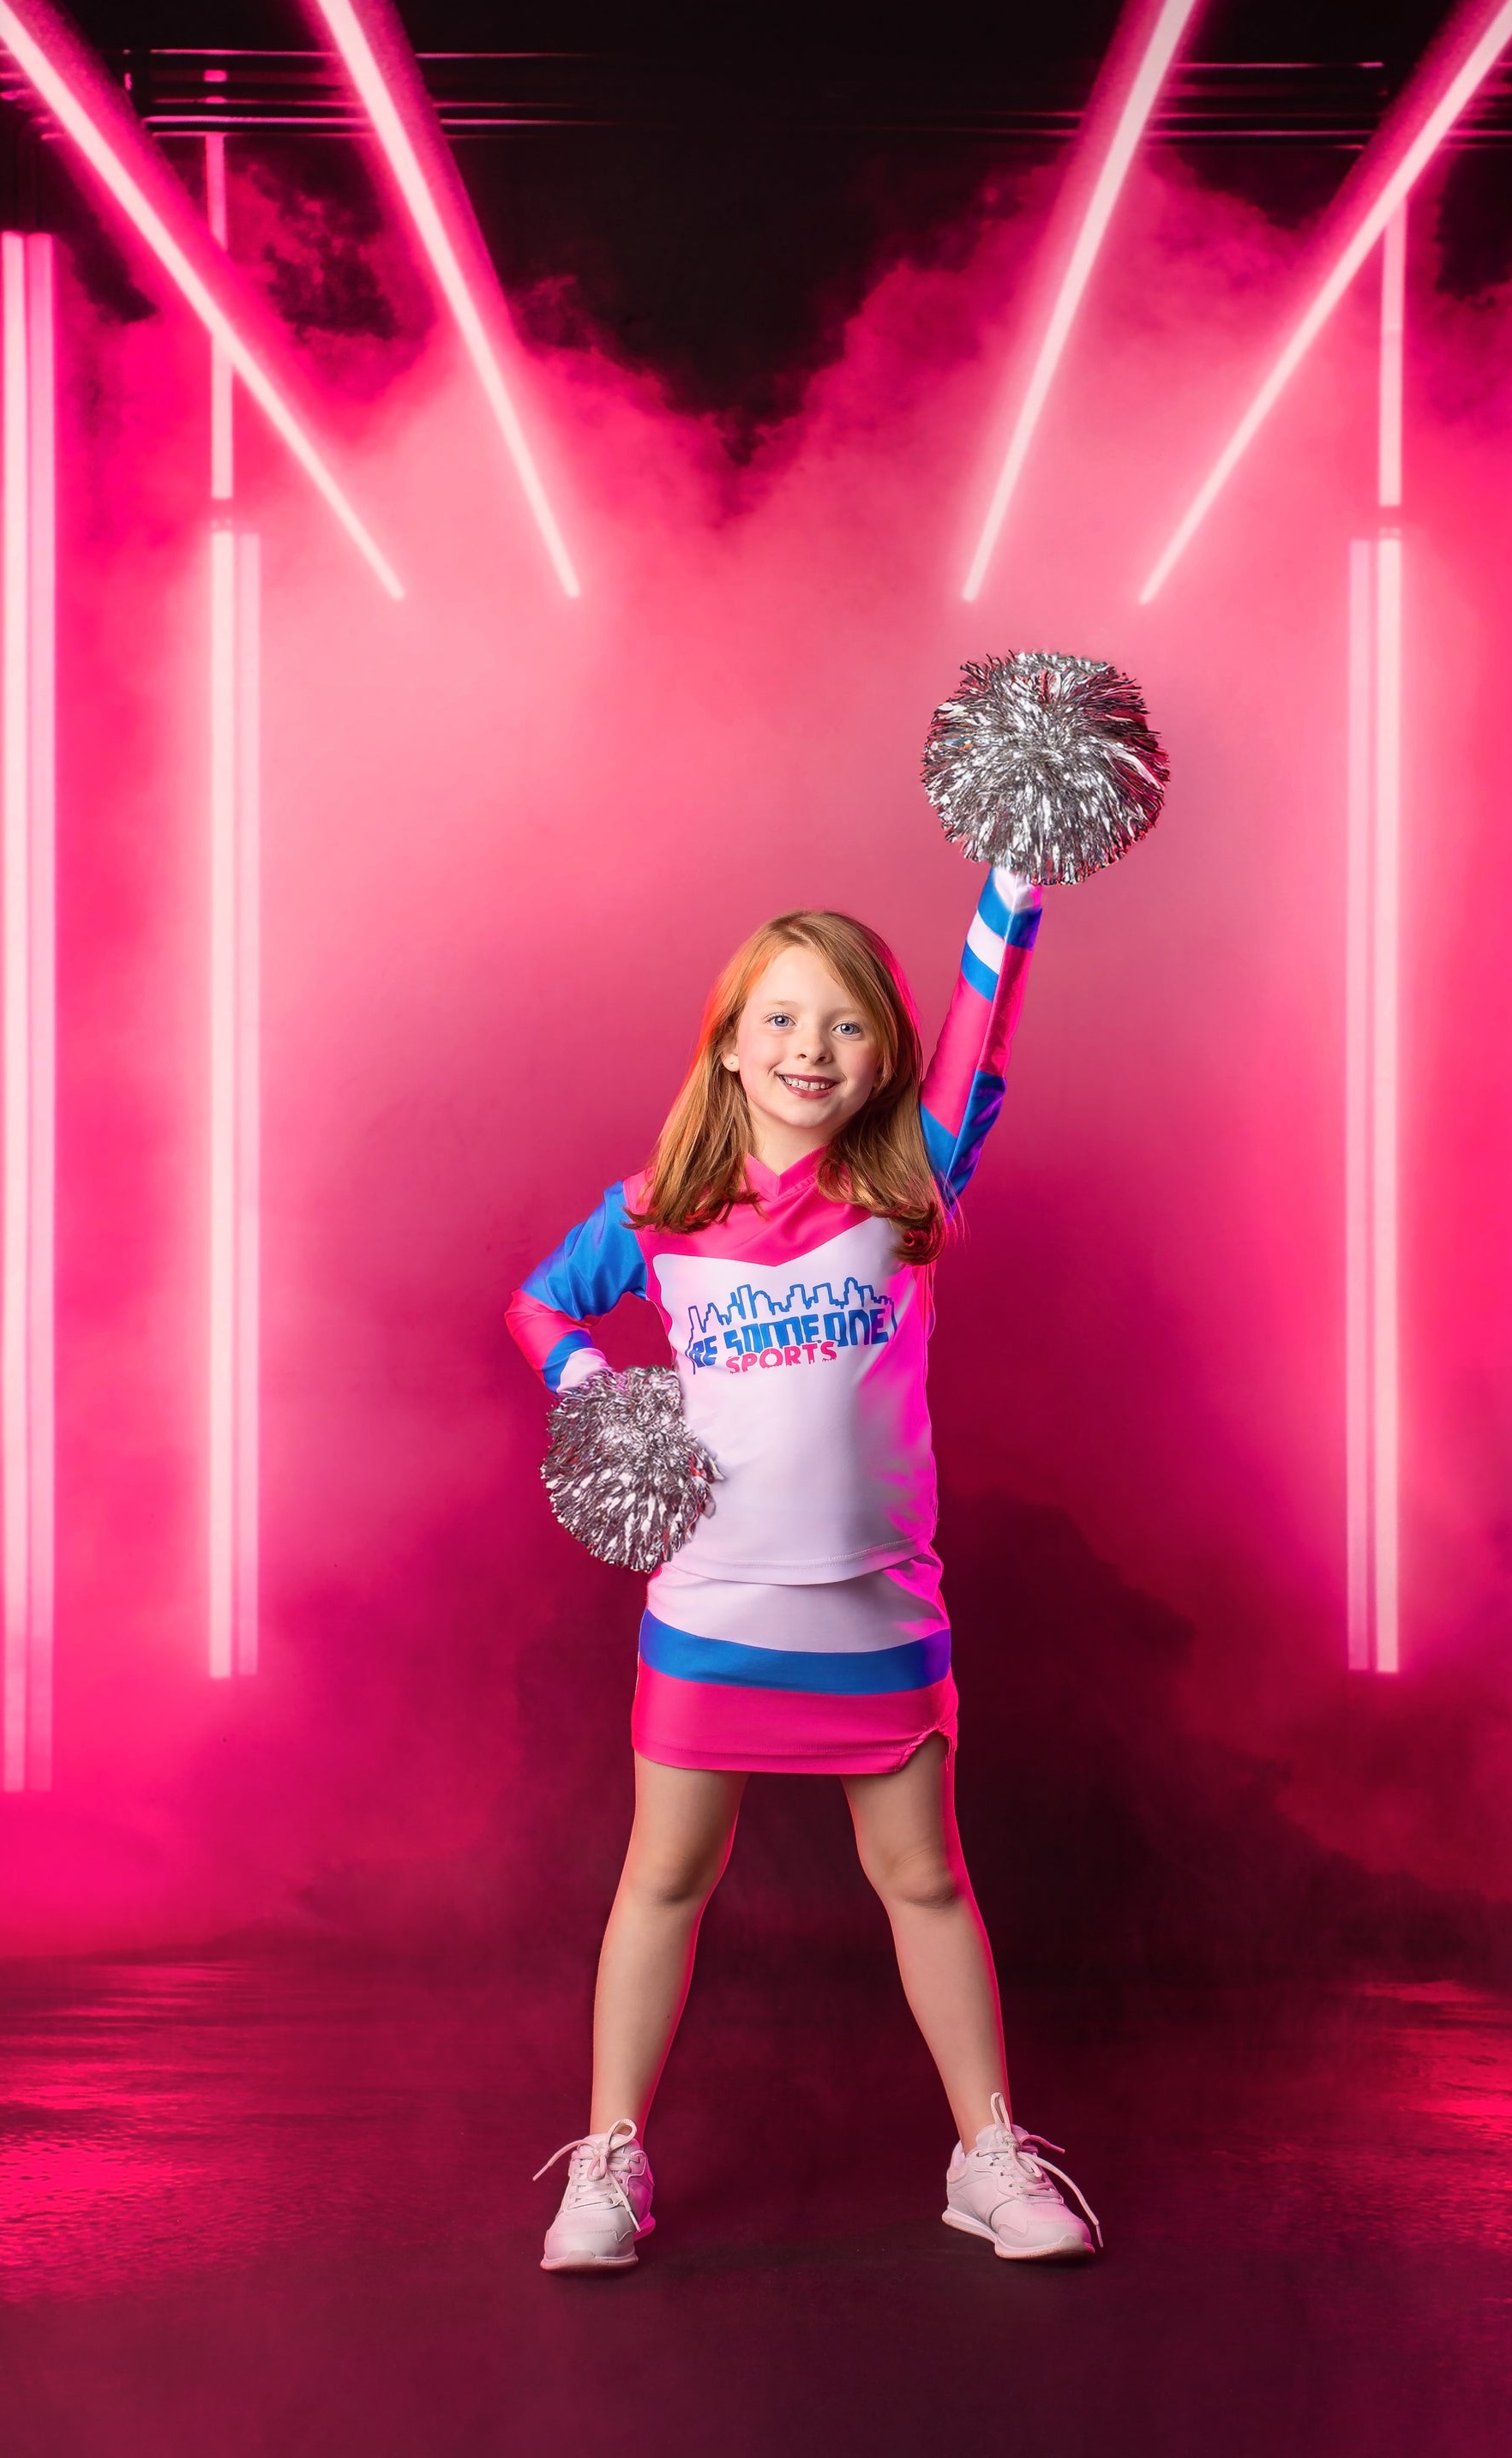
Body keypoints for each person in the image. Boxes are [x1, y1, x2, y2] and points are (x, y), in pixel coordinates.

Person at [507, 867, 1099, 2269]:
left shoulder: (909, 1183)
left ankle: (986, 2155)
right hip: (709, 1611)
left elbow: (983, 1025)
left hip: (877, 1613)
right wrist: (597, 1387)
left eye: (844, 1027)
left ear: (883, 1058)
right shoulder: (659, 1206)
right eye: (777, 1020)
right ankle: (608, 2162)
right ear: (726, 1043)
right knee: (664, 1879)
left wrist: (1014, 877)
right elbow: (536, 1305)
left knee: (925, 1880)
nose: (808, 1051)